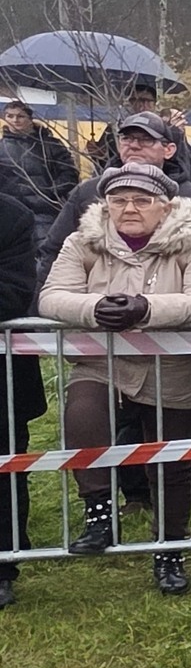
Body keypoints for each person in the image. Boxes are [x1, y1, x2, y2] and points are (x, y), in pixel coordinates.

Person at [40, 164, 191, 592]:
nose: (129, 209)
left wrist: (146, 309)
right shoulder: (82, 240)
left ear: (165, 206)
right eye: (119, 200)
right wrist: (94, 309)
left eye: (141, 200)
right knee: (83, 415)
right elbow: (51, 295)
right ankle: (99, 515)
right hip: (103, 360)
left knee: (171, 461)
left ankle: (169, 550)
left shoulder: (190, 243)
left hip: (173, 365)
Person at [39, 112, 191, 295]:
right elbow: (54, 252)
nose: (134, 145)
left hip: (174, 320)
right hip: (97, 318)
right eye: (127, 138)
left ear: (169, 149)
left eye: (146, 140)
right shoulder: (88, 193)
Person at [0, 187, 49, 610]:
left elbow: (14, 292)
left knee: (4, 468)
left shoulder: (12, 216)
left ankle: (3, 565)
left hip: (2, 378)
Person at [2, 98, 81, 243]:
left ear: (30, 119)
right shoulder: (1, 148)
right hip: (12, 213)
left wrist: (49, 193)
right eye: (10, 116)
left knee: (47, 253)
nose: (15, 120)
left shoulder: (50, 145)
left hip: (47, 211)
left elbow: (70, 175)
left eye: (20, 116)